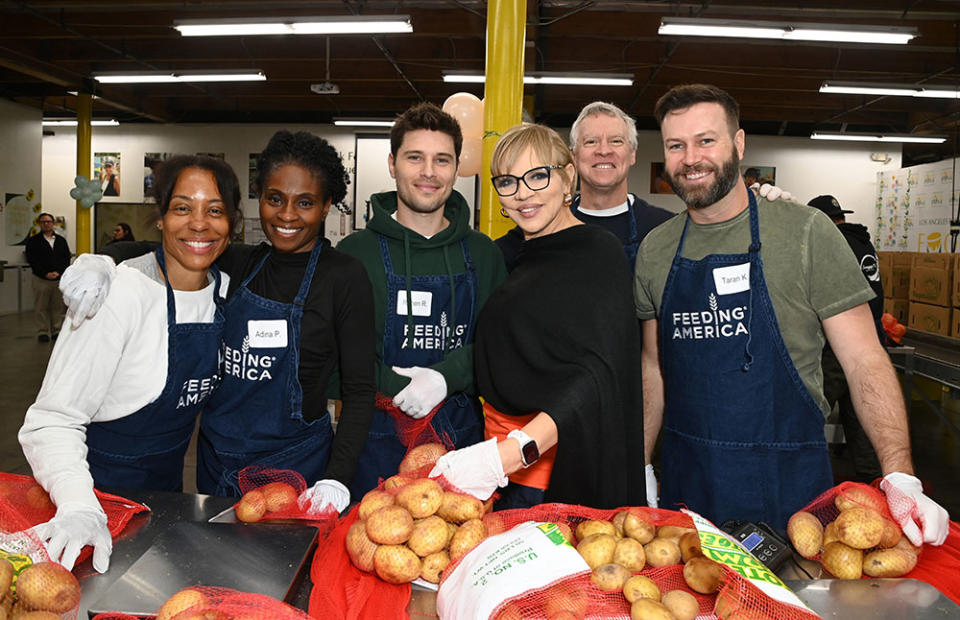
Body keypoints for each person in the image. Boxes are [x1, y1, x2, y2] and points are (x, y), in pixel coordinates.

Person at [634, 84, 948, 545]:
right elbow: (652, 366)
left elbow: (865, 360)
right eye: (676, 145)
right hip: (688, 484)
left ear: (738, 144)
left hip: (789, 487)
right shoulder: (656, 250)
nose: (690, 158)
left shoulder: (806, 233)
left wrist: (899, 475)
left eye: (706, 140)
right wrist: (640, 464)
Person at [60, 132, 376, 514]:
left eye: (305, 203)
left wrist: (337, 476)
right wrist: (100, 262)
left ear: (326, 206)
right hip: (217, 463)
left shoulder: (343, 277)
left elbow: (359, 391)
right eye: (275, 199)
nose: (287, 215)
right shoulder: (236, 263)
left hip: (296, 467)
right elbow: (158, 249)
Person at [19, 155, 239, 573]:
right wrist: (78, 505)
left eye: (215, 210)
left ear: (232, 223)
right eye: (181, 208)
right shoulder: (116, 294)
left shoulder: (225, 293)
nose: (198, 223)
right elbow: (51, 420)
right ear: (160, 218)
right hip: (90, 501)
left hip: (165, 503)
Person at [429, 123, 644, 510]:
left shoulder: (598, 253)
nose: (522, 194)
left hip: (554, 477)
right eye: (507, 182)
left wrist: (513, 453)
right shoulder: (507, 254)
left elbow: (596, 375)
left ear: (567, 179)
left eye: (538, 176)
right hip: (498, 471)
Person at [337, 102, 507, 499]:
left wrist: (446, 377)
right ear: (393, 163)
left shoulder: (483, 254)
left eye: (442, 160)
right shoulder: (354, 253)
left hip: (461, 444)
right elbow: (335, 352)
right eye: (415, 158)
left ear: (456, 167)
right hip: (372, 445)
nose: (429, 172)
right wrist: (395, 385)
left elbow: (501, 347)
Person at [495, 102, 674, 272]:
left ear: (632, 154)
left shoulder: (666, 228)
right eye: (590, 142)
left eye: (616, 141)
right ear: (573, 156)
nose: (604, 151)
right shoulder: (543, 223)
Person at [808, 194, 884, 483]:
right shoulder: (862, 242)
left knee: (810, 411)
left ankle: (810, 480)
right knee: (861, 418)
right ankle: (872, 485)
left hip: (839, 345)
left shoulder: (834, 245)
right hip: (872, 339)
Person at [25, 213, 71, 342]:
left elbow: (65, 258)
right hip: (41, 279)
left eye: (49, 221)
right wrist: (45, 273)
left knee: (58, 306)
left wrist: (60, 272)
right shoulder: (33, 241)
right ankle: (43, 331)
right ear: (39, 224)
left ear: (53, 223)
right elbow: (32, 260)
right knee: (41, 306)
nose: (46, 224)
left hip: (58, 278)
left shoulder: (61, 240)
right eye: (43, 222)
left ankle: (57, 330)